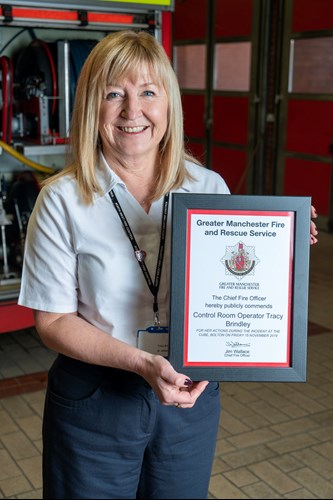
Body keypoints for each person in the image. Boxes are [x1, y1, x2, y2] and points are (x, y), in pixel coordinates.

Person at [18, 29, 319, 500]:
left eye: (148, 92)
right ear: (91, 106)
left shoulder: (208, 187)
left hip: (189, 397)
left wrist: (286, 245)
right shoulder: (62, 200)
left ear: (169, 105)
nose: (132, 110)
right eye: (113, 93)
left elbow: (237, 283)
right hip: (96, 399)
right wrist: (141, 363)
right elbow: (53, 320)